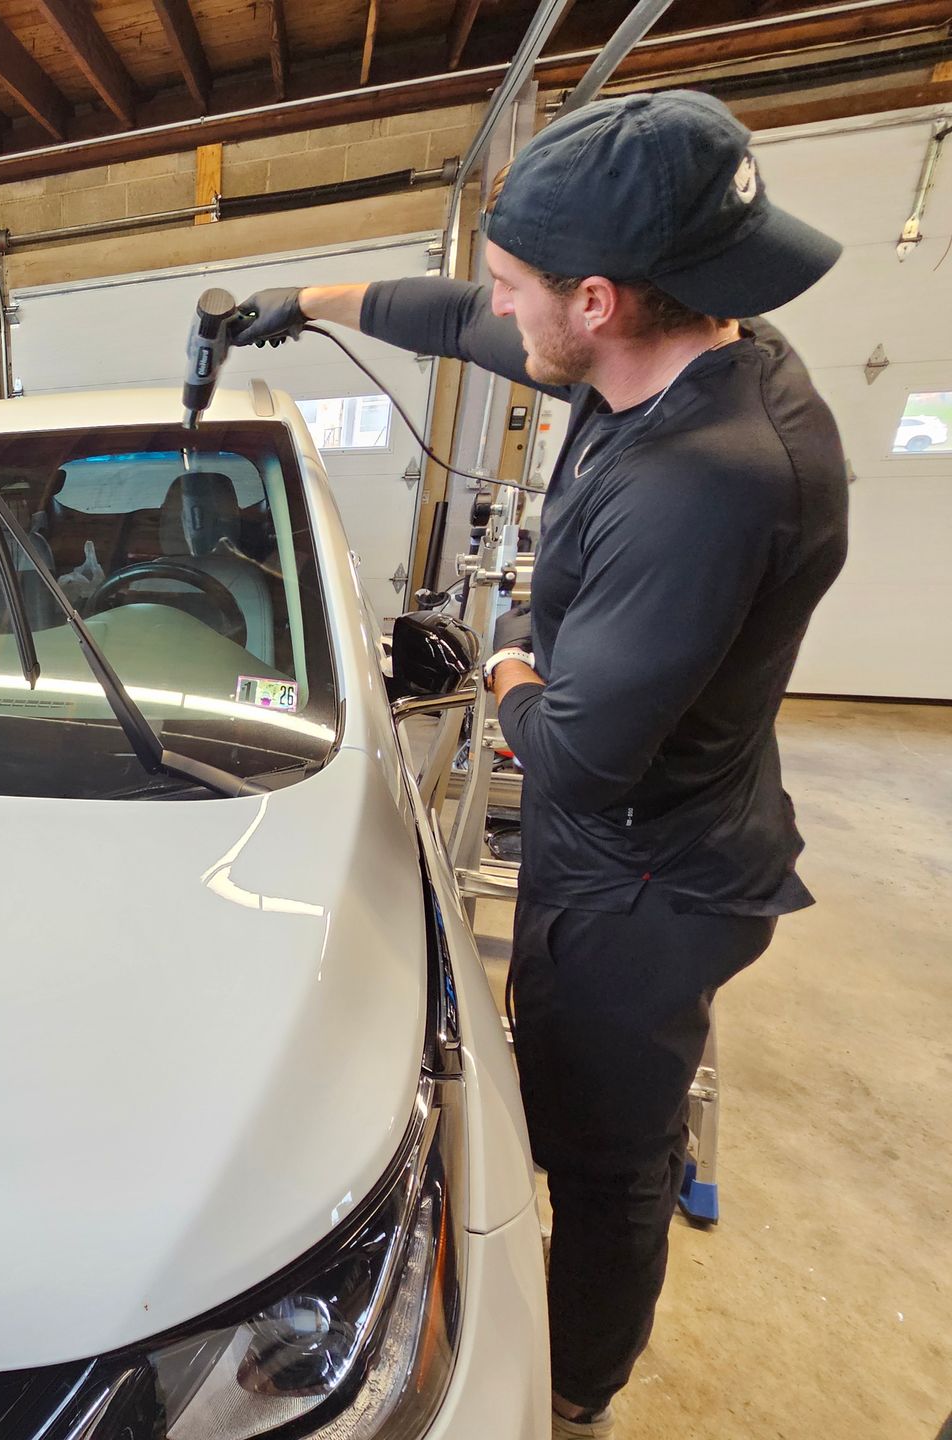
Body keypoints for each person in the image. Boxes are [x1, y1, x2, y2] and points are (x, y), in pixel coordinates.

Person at [226, 91, 848, 1437]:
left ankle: (574, 1397)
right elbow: (467, 317)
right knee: (561, 1110)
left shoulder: (710, 481)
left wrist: (500, 657)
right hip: (647, 823)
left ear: (604, 300)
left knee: (602, 1155)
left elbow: (568, 757)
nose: (499, 311)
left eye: (520, 291)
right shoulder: (673, 350)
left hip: (644, 879)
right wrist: (312, 298)